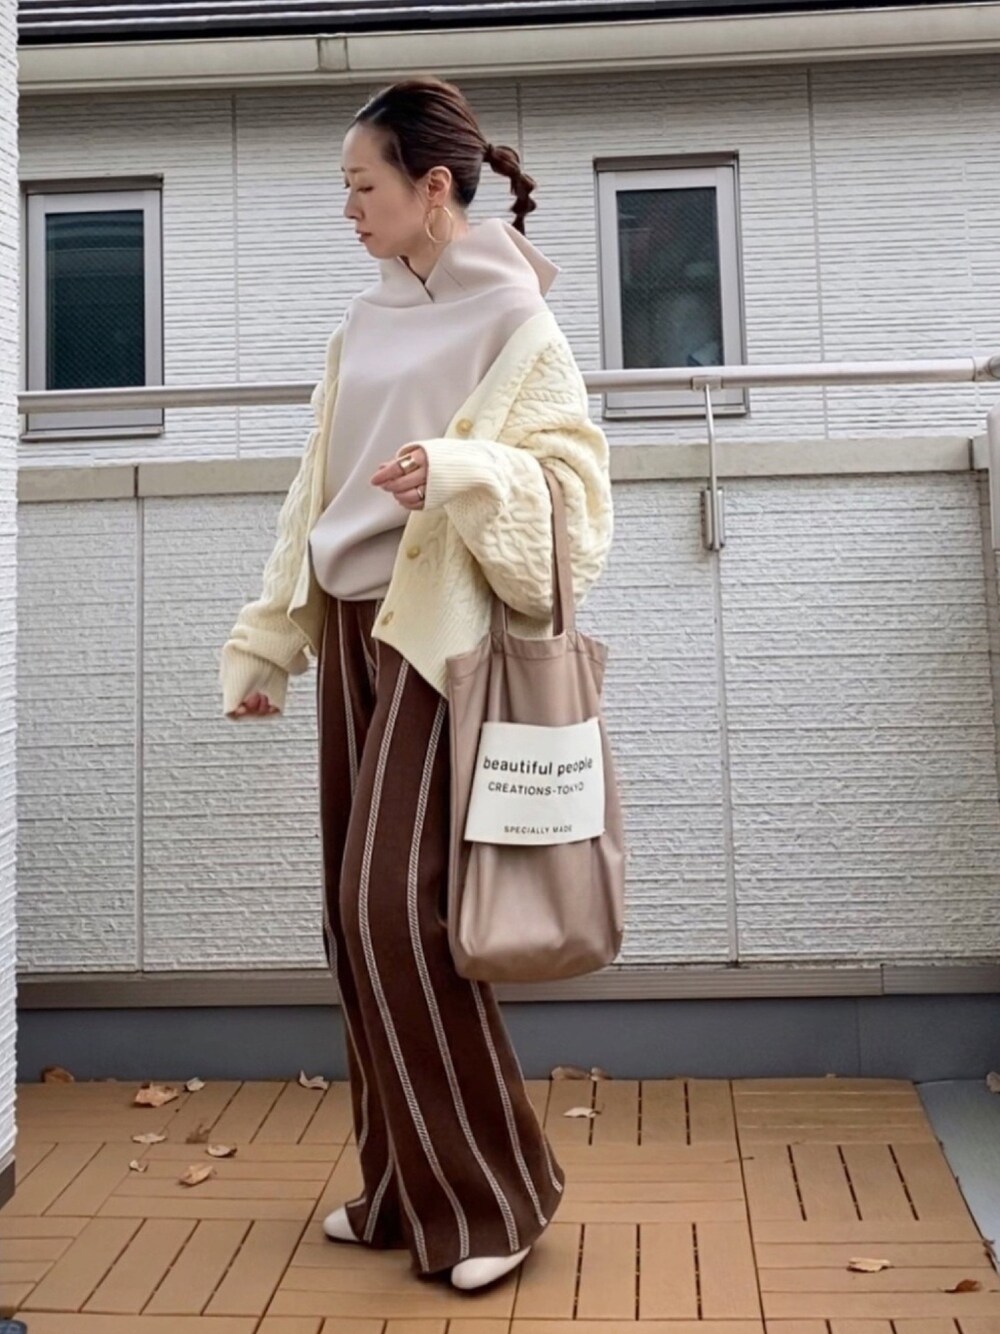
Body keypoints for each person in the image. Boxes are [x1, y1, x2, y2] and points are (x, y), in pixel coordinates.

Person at [218, 74, 614, 1293]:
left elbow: (577, 506)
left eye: (363, 184)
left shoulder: (516, 324)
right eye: (344, 185)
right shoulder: (362, 323)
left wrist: (461, 470)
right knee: (351, 920)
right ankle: (401, 1184)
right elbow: (315, 492)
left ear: (431, 187)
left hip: (441, 635)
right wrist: (269, 639)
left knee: (397, 907)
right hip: (351, 625)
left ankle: (497, 1194)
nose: (347, 206)